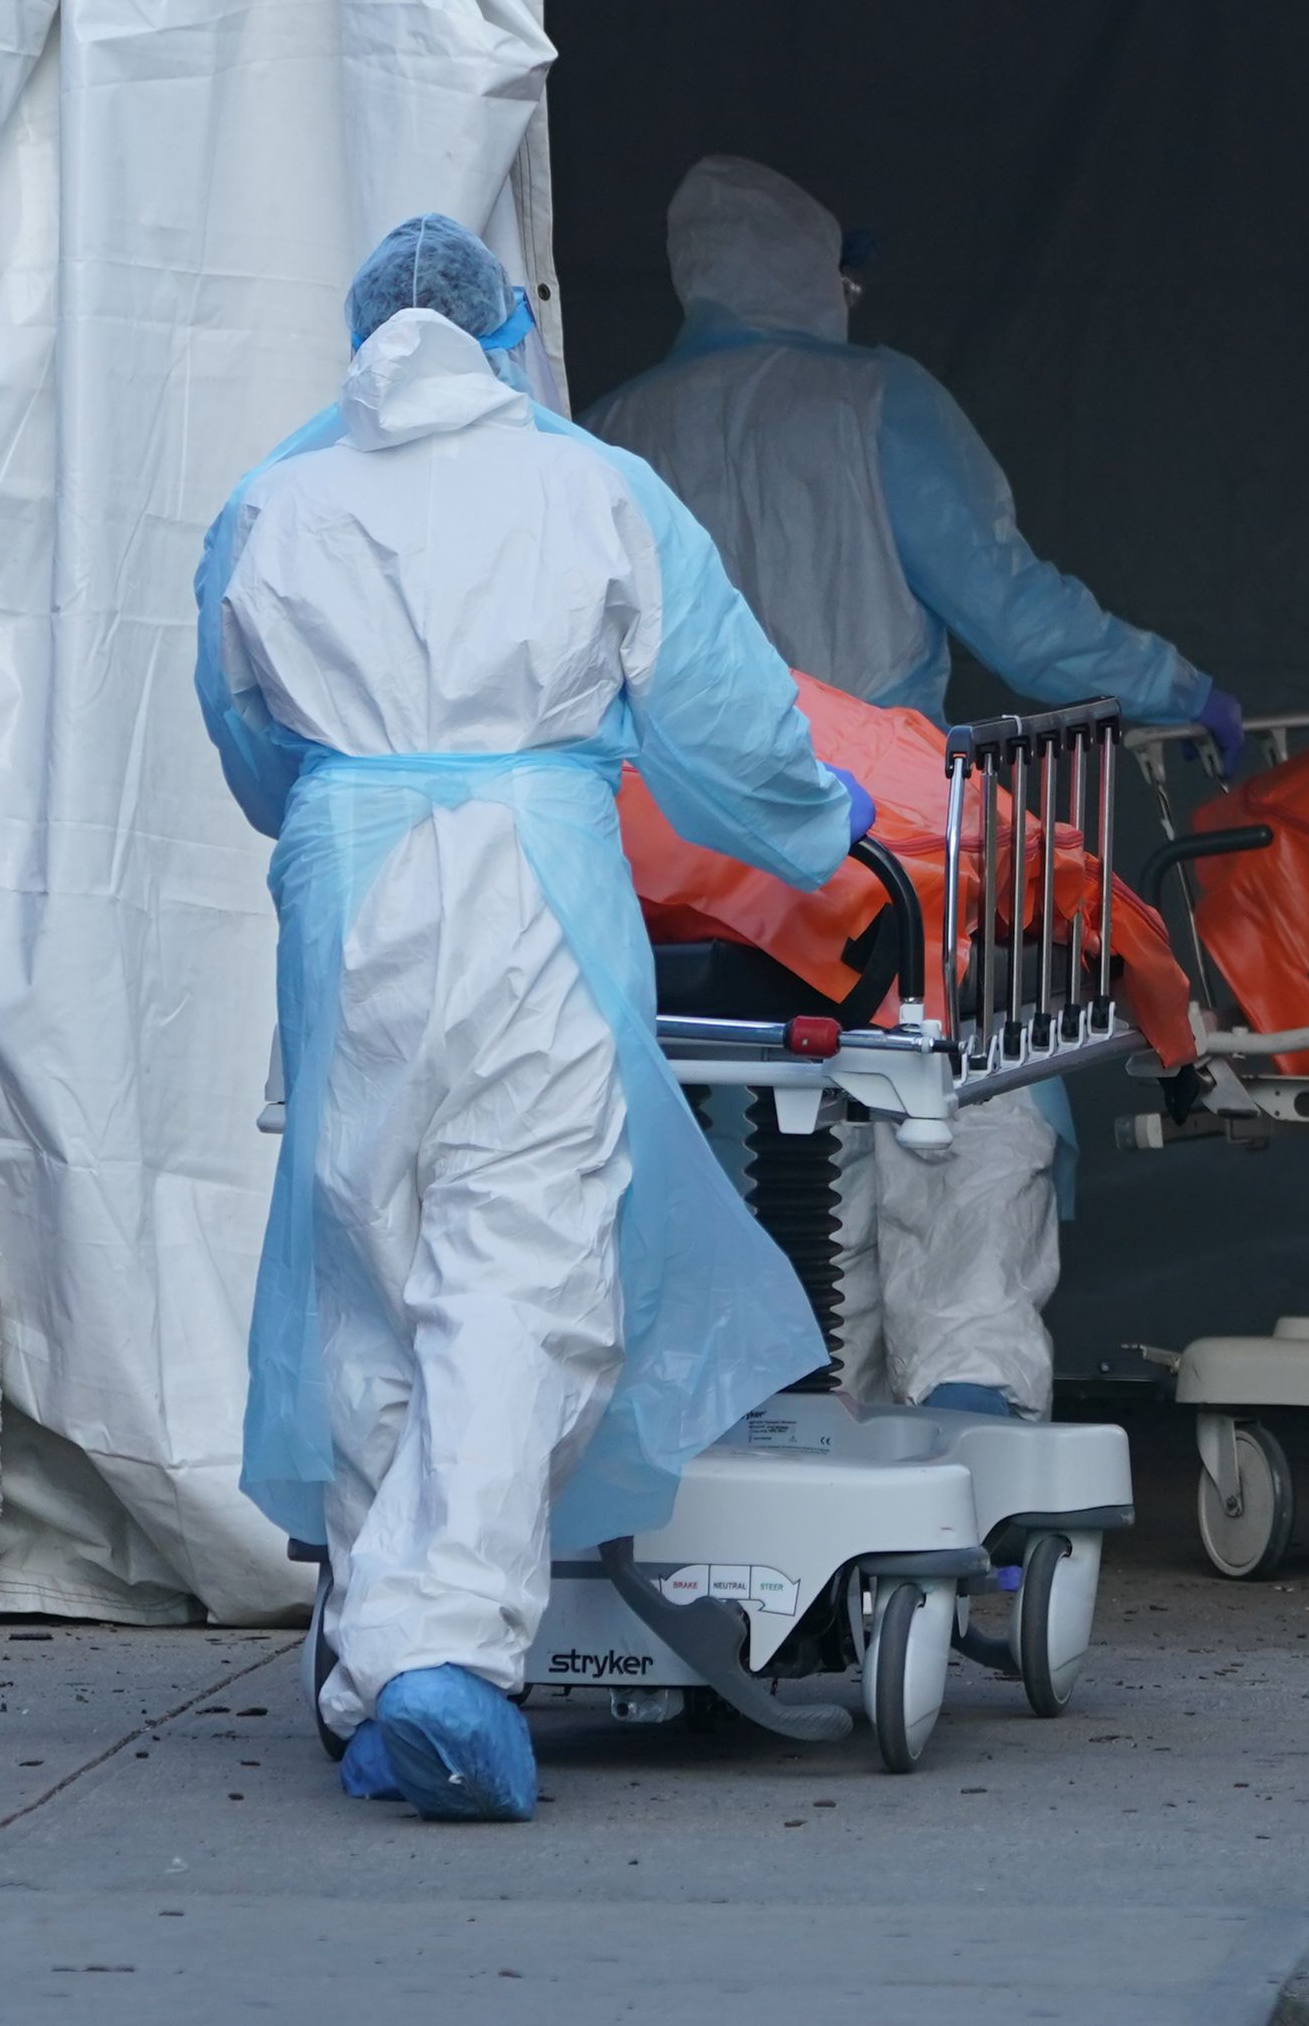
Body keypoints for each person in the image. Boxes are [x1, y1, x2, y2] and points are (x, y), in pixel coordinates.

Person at [200, 214, 873, 1822]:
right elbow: (715, 707)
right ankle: (447, 1661)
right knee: (521, 1264)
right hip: (533, 897)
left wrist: (356, 806)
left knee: (370, 1257)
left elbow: (247, 746)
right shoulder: (590, 489)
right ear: (508, 340)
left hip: (344, 886)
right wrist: (813, 820)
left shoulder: (271, 506)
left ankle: (375, 1664)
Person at [591, 156, 1239, 1421]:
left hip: (690, 879)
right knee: (963, 1125)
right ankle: (966, 1447)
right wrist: (1182, 689)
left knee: (754, 1163)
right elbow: (1021, 614)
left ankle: (775, 1448)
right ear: (813, 270)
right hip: (896, 841)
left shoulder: (611, 435)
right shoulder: (877, 403)